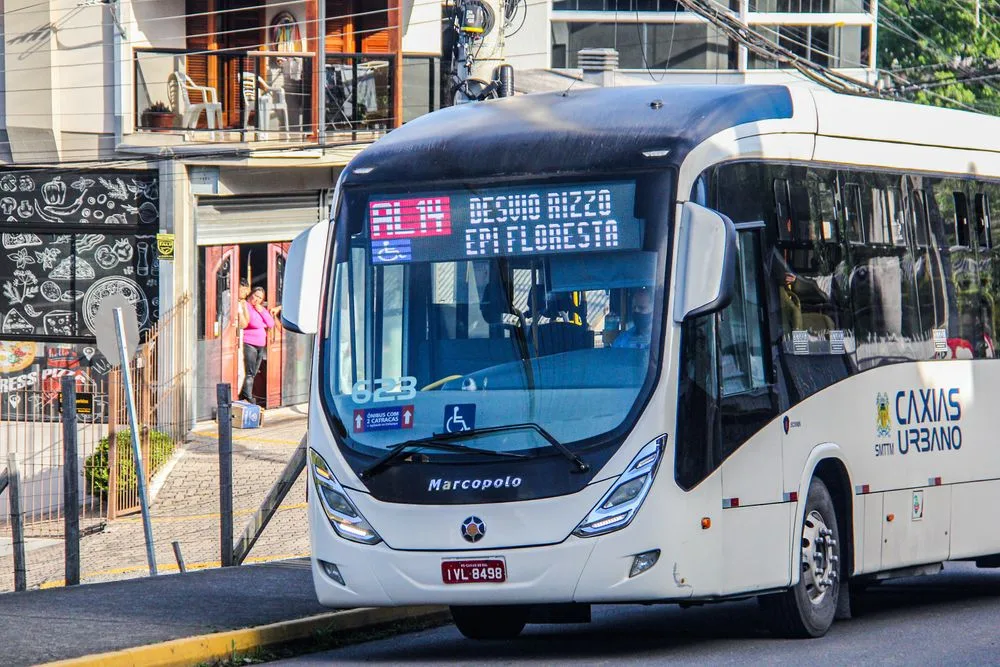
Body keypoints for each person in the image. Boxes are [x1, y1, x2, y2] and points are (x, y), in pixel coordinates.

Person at [238, 286, 275, 403]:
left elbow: (271, 323)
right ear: (251, 294)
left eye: (260, 298)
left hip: (260, 344)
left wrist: (262, 311)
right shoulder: (246, 306)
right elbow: (252, 323)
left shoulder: (259, 309)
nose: (257, 299)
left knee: (254, 372)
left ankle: (246, 395)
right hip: (249, 343)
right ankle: (247, 397)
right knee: (249, 372)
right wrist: (262, 322)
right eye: (256, 296)